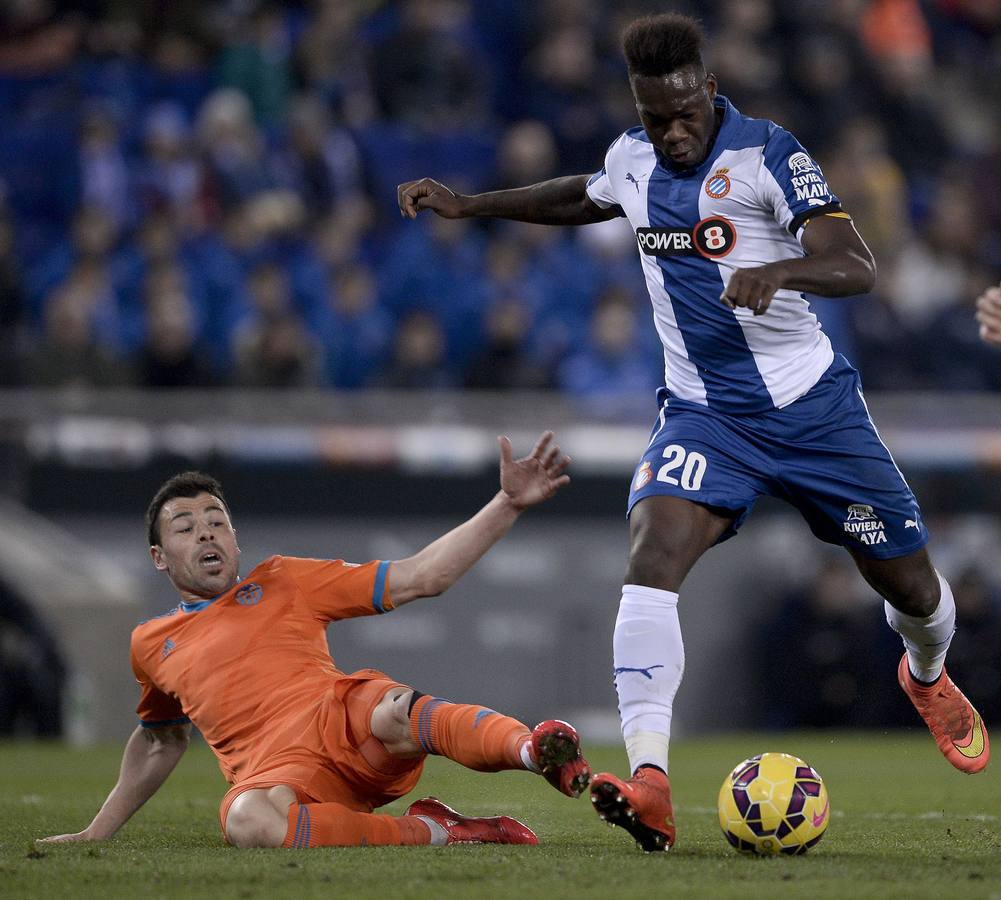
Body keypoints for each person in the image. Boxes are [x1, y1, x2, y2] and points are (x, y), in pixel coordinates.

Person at [397, 12, 990, 853]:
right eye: (653, 119)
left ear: (709, 89)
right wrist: (472, 205)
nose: (671, 134)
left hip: (815, 413)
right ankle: (649, 782)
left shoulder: (767, 154)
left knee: (916, 593)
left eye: (683, 114)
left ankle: (925, 675)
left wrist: (780, 268)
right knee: (651, 553)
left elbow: (854, 262)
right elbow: (581, 194)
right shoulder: (632, 157)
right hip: (705, 417)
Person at [39, 432, 591, 849]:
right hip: (276, 778)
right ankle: (438, 830)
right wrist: (96, 833)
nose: (206, 531)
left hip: (341, 723)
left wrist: (507, 505)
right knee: (248, 823)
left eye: (217, 520)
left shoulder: (285, 580)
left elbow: (423, 576)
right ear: (159, 558)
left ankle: (534, 750)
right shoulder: (151, 645)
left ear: (234, 537)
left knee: (393, 708)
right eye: (185, 527)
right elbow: (161, 741)